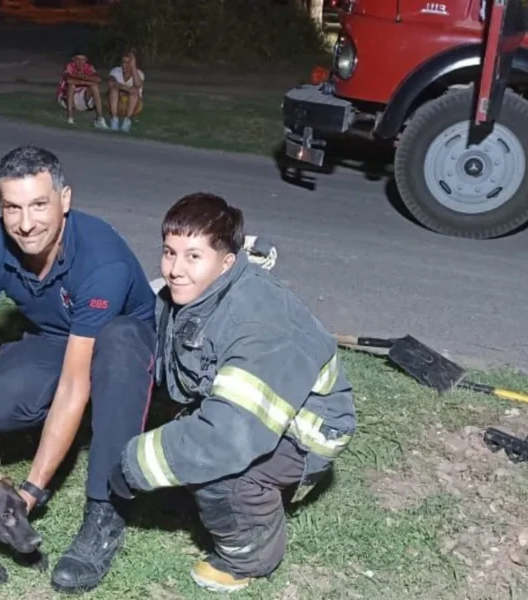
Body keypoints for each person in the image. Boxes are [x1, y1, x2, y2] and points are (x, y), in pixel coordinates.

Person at [0, 145, 157, 594]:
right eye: (12, 207)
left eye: (38, 205)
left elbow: (75, 383)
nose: (26, 223)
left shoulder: (100, 260)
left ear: (64, 199)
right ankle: (69, 428)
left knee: (113, 354)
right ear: (0, 205)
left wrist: (31, 487)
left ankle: (104, 510)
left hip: (126, 345)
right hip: (59, 336)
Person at [109, 193, 357, 593]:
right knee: (189, 446)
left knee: (222, 470)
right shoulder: (196, 292)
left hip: (305, 430)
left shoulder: (259, 320)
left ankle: (249, 556)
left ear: (226, 262)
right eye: (169, 252)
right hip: (242, 410)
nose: (174, 269)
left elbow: (229, 437)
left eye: (193, 256)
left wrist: (133, 465)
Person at [56, 49, 108, 129]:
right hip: (66, 98)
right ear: (73, 59)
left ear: (86, 60)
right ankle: (70, 118)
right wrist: (87, 82)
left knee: (94, 87)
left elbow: (98, 79)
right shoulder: (69, 66)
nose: (80, 62)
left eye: (83, 59)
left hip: (82, 98)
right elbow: (69, 80)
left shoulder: (88, 67)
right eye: (78, 59)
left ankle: (99, 118)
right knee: (71, 85)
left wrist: (85, 77)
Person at [106, 50, 145, 133]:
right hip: (117, 104)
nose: (125, 65)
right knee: (113, 90)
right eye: (124, 62)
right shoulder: (115, 71)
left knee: (134, 94)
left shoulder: (139, 73)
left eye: (128, 62)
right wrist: (128, 89)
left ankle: (127, 121)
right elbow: (111, 83)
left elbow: (138, 85)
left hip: (133, 106)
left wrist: (133, 68)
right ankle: (114, 119)